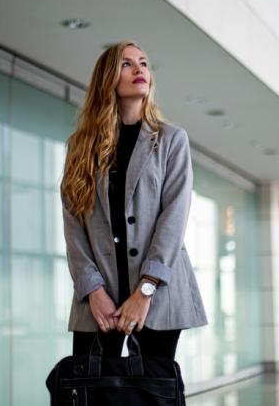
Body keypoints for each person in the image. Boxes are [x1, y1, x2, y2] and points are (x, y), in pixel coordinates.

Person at [60, 40, 208, 360]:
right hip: (99, 298)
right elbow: (74, 226)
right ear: (108, 78)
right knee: (91, 390)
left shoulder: (171, 140)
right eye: (127, 64)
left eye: (143, 62)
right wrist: (93, 291)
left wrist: (145, 290)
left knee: (154, 390)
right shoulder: (80, 147)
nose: (139, 69)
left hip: (158, 292)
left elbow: (174, 218)